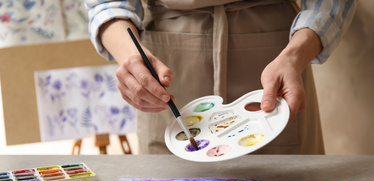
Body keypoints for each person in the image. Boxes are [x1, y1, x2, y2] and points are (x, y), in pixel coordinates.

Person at [85, 0, 357, 154]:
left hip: (278, 51)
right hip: (169, 57)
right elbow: (108, 3)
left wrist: (294, 56)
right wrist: (131, 56)